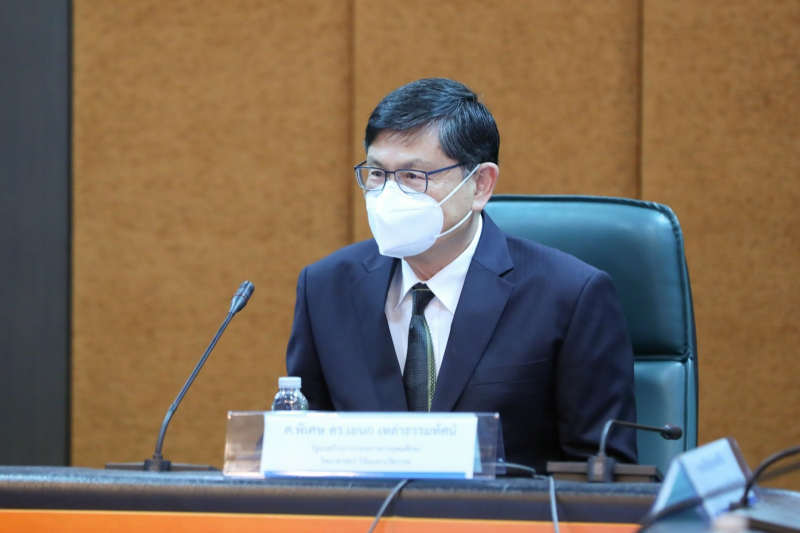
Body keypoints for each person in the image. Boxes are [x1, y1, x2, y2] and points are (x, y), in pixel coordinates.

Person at [286, 78, 637, 472]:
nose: (388, 196)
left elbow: (602, 475)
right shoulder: (326, 288)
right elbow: (301, 454)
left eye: (413, 176)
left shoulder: (569, 295)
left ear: (480, 185)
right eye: (378, 174)